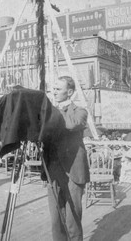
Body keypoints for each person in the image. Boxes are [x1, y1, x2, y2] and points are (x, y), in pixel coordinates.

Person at [46, 76, 90, 241]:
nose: (54, 92)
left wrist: (55, 110)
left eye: (58, 89)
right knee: (56, 219)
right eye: (53, 88)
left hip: (74, 170)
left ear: (69, 92)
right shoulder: (50, 112)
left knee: (72, 217)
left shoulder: (80, 111)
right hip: (54, 170)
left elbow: (72, 125)